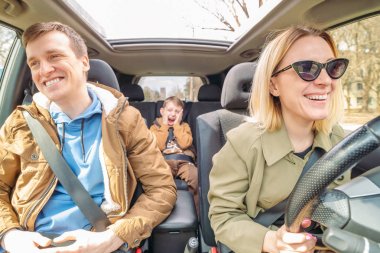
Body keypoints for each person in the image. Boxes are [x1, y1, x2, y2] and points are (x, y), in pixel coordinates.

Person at [0, 22, 176, 253]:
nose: (44, 70)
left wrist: (116, 236)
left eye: (54, 56)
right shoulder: (20, 122)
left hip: (99, 242)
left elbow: (161, 189)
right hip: (28, 242)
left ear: (84, 62)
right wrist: (9, 235)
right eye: (35, 63)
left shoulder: (126, 121)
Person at [208, 25, 351, 253]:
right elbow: (223, 217)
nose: (326, 81)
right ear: (274, 84)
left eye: (333, 67)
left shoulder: (339, 139)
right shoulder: (241, 144)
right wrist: (270, 241)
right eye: (307, 68)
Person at [150, 96, 199, 214]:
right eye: (170, 110)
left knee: (195, 176)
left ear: (181, 114)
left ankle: (195, 212)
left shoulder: (184, 126)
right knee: (158, 179)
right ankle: (161, 209)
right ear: (162, 112)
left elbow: (185, 143)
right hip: (164, 161)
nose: (173, 114)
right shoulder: (155, 127)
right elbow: (159, 146)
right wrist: (165, 126)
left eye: (177, 112)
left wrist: (176, 125)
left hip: (184, 162)